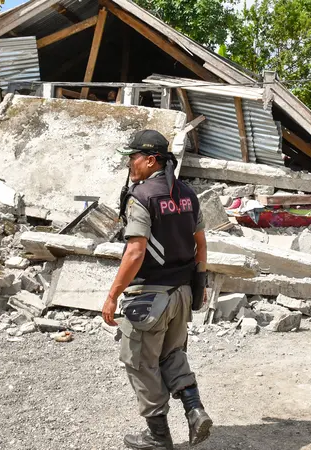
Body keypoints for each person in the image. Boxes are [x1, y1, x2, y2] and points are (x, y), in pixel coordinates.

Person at [102, 130, 212, 449]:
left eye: (132, 157)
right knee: (172, 355)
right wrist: (199, 286)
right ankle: (194, 410)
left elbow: (135, 252)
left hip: (150, 298)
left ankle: (158, 437)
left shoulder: (142, 197)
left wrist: (111, 296)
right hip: (182, 293)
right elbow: (200, 245)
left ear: (151, 160)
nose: (129, 164)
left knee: (140, 362)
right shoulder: (188, 194)